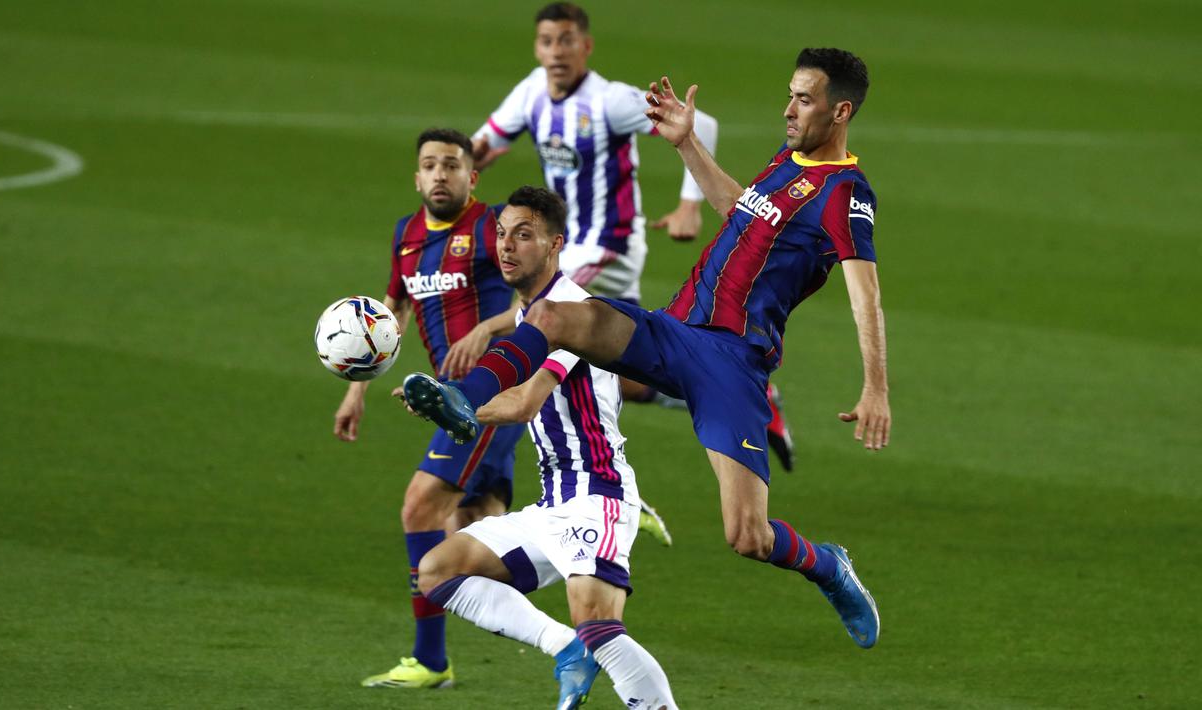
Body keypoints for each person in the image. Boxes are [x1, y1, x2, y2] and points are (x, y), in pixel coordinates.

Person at [404, 48, 888, 649]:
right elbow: (740, 214)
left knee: (748, 536)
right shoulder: (789, 158)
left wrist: (875, 388)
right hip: (675, 330)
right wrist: (687, 144)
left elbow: (865, 292)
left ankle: (828, 565)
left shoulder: (846, 192)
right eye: (789, 95)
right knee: (553, 315)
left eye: (804, 100)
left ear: (840, 111)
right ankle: (461, 395)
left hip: (732, 363)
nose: (788, 109)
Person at [473, 1, 796, 472]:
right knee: (621, 369)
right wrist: (465, 168)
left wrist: (689, 204)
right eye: (547, 42)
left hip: (608, 247)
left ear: (586, 46)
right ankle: (750, 394)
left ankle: (490, 461)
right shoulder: (531, 93)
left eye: (566, 41)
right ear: (537, 48)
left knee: (534, 324)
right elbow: (486, 143)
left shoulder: (608, 101)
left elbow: (701, 123)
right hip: (570, 244)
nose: (557, 51)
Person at [413, 185, 678, 710]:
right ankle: (565, 649)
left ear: (555, 244)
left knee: (599, 625)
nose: (506, 245)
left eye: (523, 235)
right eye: (501, 233)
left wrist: (453, 405)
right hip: (553, 502)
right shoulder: (528, 314)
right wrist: (449, 399)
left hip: (597, 494)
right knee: (438, 569)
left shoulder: (571, 314)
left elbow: (522, 403)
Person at [333, 127, 527, 689]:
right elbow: (392, 311)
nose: (440, 174)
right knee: (476, 529)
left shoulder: (494, 227)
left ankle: (431, 661)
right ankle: (593, 525)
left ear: (473, 176)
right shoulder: (408, 234)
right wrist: (357, 386)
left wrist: (487, 329)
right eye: (430, 165)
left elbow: (539, 300)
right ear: (417, 178)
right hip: (450, 395)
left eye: (451, 164)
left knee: (420, 508)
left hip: (489, 392)